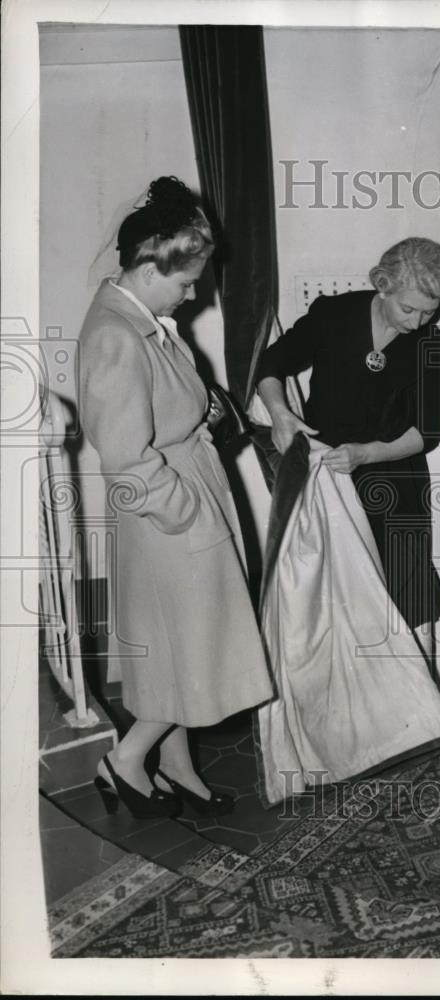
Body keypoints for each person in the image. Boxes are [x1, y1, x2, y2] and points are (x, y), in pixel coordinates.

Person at [79, 176, 273, 819]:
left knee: (177, 654)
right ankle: (126, 760)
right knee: (192, 648)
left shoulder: (146, 320)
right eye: (186, 280)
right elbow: (126, 462)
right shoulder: (115, 334)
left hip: (187, 495)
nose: (193, 294)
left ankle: (179, 765)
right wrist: (187, 512)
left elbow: (173, 406)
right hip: (167, 517)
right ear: (149, 259)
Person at [253, 237, 440, 802]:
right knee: (328, 605)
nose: (418, 322)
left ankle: (406, 727)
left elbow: (427, 432)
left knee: (402, 597)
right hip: (325, 483)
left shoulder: (431, 347)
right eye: (408, 308)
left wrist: (367, 453)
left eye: (429, 311)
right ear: (382, 283)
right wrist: (281, 416)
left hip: (393, 482)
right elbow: (270, 365)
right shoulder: (335, 314)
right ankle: (342, 735)